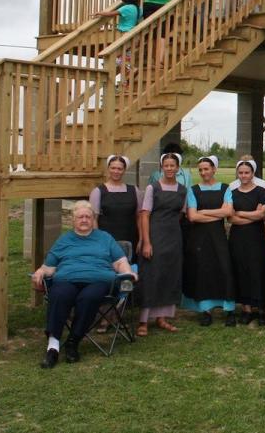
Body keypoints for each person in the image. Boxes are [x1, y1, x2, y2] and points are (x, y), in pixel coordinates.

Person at [32, 201, 137, 368]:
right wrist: (40, 272)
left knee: (88, 297)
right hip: (67, 279)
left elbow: (120, 262)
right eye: (80, 217)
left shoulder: (104, 238)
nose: (84, 220)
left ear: (93, 219)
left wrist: (128, 273)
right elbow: (49, 267)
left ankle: (73, 341)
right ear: (73, 220)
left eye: (88, 217)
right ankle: (53, 347)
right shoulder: (64, 240)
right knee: (58, 294)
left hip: (99, 281)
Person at [182, 156, 236, 327]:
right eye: (201, 170)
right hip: (199, 238)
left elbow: (228, 212)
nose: (203, 172)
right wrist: (216, 212)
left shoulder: (226, 189)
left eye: (206, 169)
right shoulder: (193, 190)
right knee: (203, 271)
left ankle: (229, 310)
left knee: (224, 269)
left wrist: (204, 211)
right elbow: (192, 216)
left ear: (214, 169)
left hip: (218, 237)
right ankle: (205, 311)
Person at [137, 152, 186, 336]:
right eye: (166, 165)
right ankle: (143, 320)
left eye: (172, 165)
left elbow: (180, 213)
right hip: (155, 235)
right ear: (161, 167)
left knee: (169, 275)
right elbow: (144, 214)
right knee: (151, 275)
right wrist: (146, 242)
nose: (169, 169)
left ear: (177, 168)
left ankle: (163, 318)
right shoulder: (153, 188)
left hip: (173, 237)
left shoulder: (182, 190)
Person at [228, 158, 265, 326]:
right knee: (241, 270)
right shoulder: (232, 192)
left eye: (247, 172)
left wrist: (241, 213)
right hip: (238, 238)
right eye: (241, 173)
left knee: (258, 271)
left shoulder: (261, 191)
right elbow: (230, 218)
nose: (244, 175)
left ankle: (261, 309)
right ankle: (246, 309)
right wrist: (252, 215)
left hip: (257, 237)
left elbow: (262, 215)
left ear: (253, 173)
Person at [89, 155, 142, 252]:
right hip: (106, 242)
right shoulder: (98, 192)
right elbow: (93, 220)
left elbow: (139, 217)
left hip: (131, 240)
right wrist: (98, 241)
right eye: (113, 168)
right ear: (108, 168)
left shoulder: (135, 190)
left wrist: (141, 239)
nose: (116, 171)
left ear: (124, 170)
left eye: (119, 169)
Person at [94, 0, 141, 87]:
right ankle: (125, 81)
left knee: (116, 57)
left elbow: (112, 13)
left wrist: (100, 13)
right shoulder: (138, 9)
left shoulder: (126, 8)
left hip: (126, 35)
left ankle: (131, 69)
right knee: (125, 57)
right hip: (135, 35)